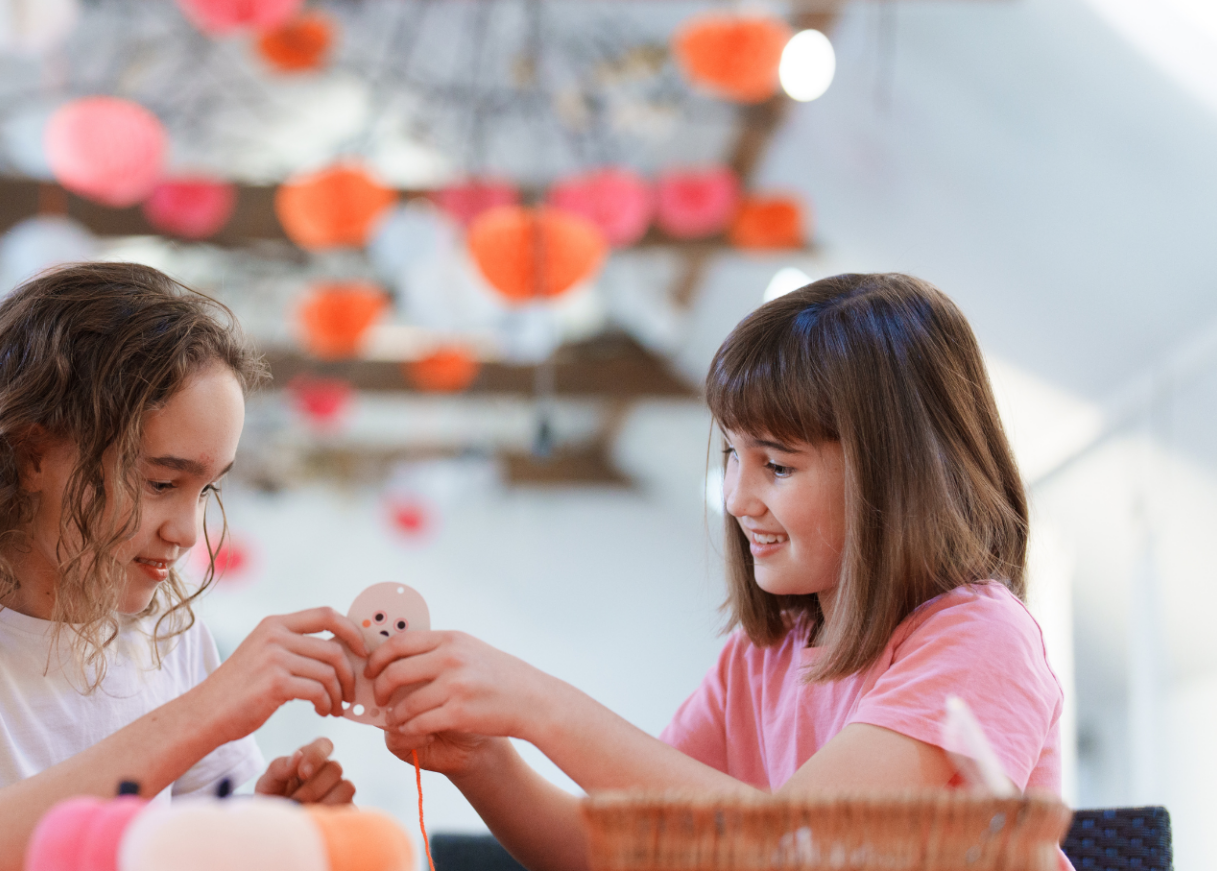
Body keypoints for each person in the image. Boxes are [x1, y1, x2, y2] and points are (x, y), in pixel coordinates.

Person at [366, 273, 1065, 871]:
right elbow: (624, 849)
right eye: (732, 453)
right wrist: (481, 757)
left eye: (778, 465)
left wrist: (539, 704)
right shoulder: (763, 656)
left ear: (899, 473)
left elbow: (801, 844)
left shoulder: (979, 637)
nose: (735, 498)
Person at [0, 262, 369, 871]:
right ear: (31, 453)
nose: (187, 533)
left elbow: (186, 837)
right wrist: (205, 711)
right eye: (161, 481)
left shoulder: (169, 635)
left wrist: (257, 822)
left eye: (206, 491)